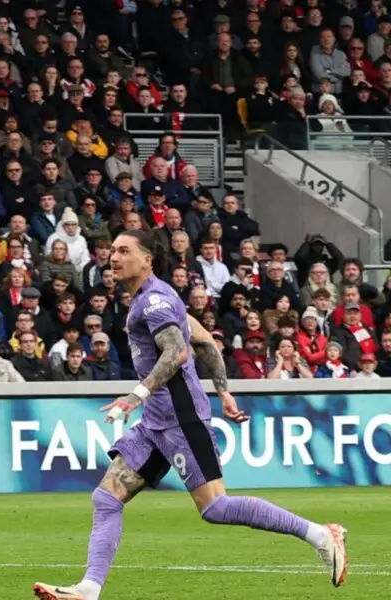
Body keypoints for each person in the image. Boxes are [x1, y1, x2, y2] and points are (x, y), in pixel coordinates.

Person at [32, 230, 348, 600]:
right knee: (107, 497)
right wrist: (225, 392)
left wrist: (136, 394)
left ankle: (321, 535)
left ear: (148, 258)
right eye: (112, 251)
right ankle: (88, 589)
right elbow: (204, 342)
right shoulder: (156, 298)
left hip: (180, 418)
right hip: (155, 421)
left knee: (215, 507)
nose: (113, 257)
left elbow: (177, 353)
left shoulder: (154, 302)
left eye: (124, 251)